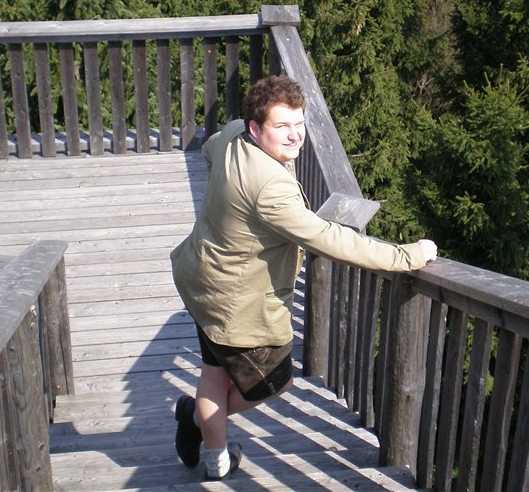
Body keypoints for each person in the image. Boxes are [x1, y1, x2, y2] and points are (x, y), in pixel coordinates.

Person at [170, 75, 437, 481]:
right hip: (233, 302)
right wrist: (406, 255)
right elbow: (330, 238)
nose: (295, 135)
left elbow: (210, 150)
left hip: (202, 279)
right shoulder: (270, 188)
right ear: (256, 127)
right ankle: (197, 422)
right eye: (282, 126)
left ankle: (215, 458)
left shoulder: (233, 135)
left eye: (299, 123)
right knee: (273, 382)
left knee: (215, 372)